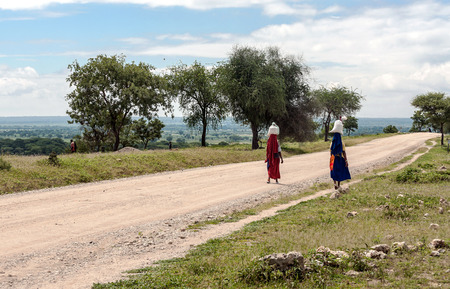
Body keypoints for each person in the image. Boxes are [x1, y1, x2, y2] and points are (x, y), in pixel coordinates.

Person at [329, 116, 351, 189]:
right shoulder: (341, 142)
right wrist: (346, 160)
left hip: (333, 158)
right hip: (340, 158)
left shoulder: (332, 142)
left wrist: (331, 159)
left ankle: (335, 184)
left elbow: (331, 151)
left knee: (334, 171)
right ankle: (338, 185)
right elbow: (344, 152)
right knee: (340, 171)